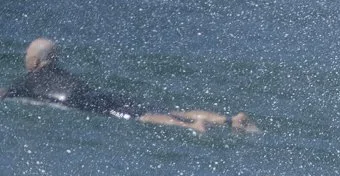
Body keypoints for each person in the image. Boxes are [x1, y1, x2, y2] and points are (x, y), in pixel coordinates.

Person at [3, 39, 255, 134]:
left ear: (34, 61)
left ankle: (191, 126)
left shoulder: (29, 80)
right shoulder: (63, 73)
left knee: (143, 117)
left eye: (27, 56)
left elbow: (5, 94)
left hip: (87, 103)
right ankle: (230, 120)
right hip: (99, 95)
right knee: (172, 108)